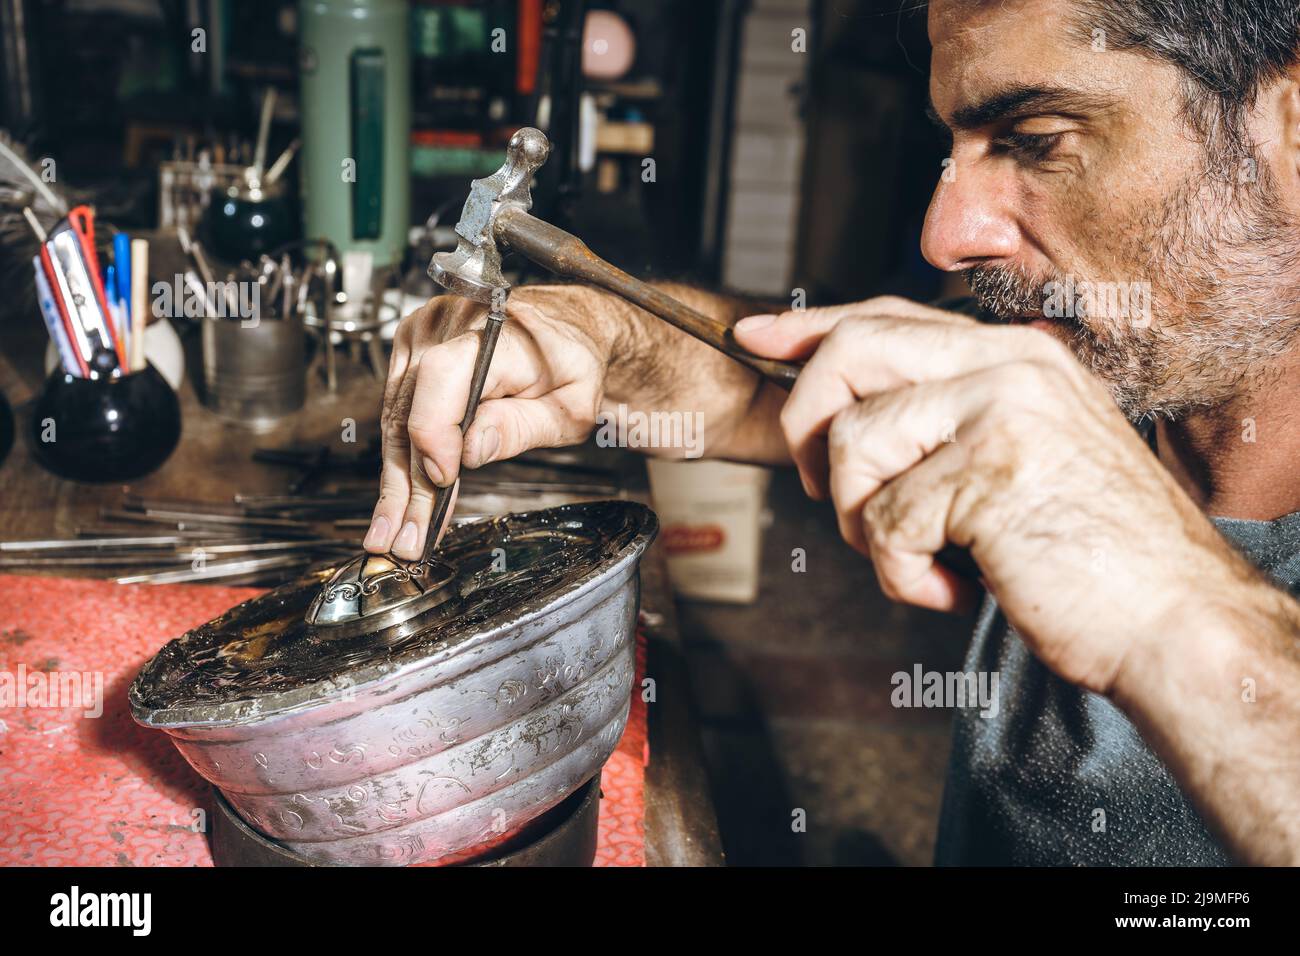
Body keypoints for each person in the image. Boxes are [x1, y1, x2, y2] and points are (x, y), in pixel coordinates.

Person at [367, 0, 1300, 865]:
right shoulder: (1105, 363)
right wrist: (594, 336)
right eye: (958, 147)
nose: (944, 234)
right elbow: (759, 386)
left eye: (1036, 140)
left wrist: (1179, 615)